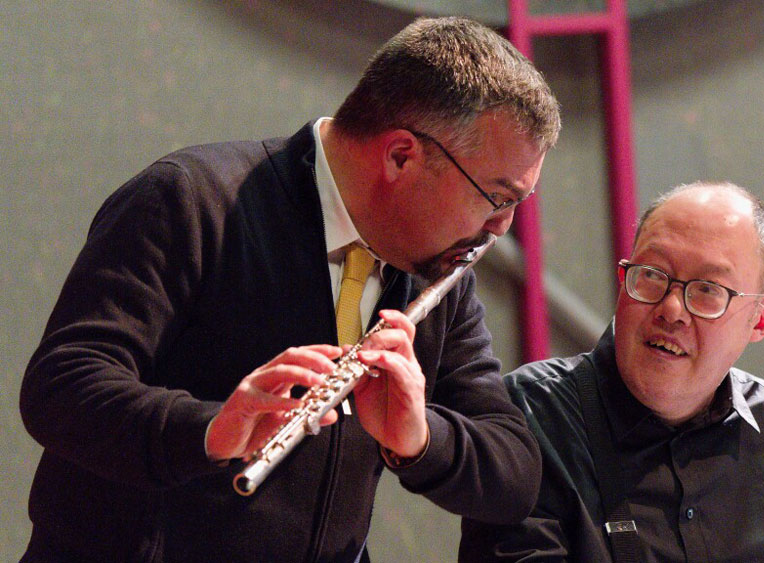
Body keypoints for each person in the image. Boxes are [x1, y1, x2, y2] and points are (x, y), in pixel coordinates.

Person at [19, 16, 560, 562]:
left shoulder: (436, 269)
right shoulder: (191, 200)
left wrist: (421, 438)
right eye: (498, 197)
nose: (502, 227)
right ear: (401, 155)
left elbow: (514, 472)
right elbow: (61, 388)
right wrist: (210, 431)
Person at [460, 182, 764, 561]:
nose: (671, 310)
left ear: (762, 319)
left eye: (708, 289)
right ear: (623, 278)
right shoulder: (531, 416)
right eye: (653, 274)